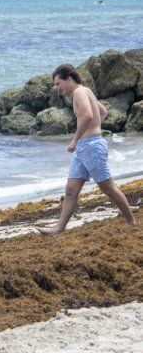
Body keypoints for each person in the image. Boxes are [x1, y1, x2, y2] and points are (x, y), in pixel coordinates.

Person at [36, 64, 136, 235]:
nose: (57, 88)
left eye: (58, 83)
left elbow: (89, 115)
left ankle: (132, 222)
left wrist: (76, 139)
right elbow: (103, 112)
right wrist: (93, 130)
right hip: (86, 146)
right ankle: (58, 229)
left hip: (90, 146)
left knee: (107, 187)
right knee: (71, 190)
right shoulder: (85, 90)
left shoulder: (79, 92)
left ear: (68, 79)